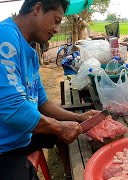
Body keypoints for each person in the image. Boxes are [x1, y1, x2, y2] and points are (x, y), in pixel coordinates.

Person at [0, 1, 100, 179]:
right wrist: (60, 128)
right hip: (5, 147)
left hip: (23, 134)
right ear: (37, 8)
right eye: (56, 20)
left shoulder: (29, 51)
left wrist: (78, 118)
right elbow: (13, 110)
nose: (56, 29)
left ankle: (68, 174)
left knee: (64, 135)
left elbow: (42, 103)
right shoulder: (5, 37)